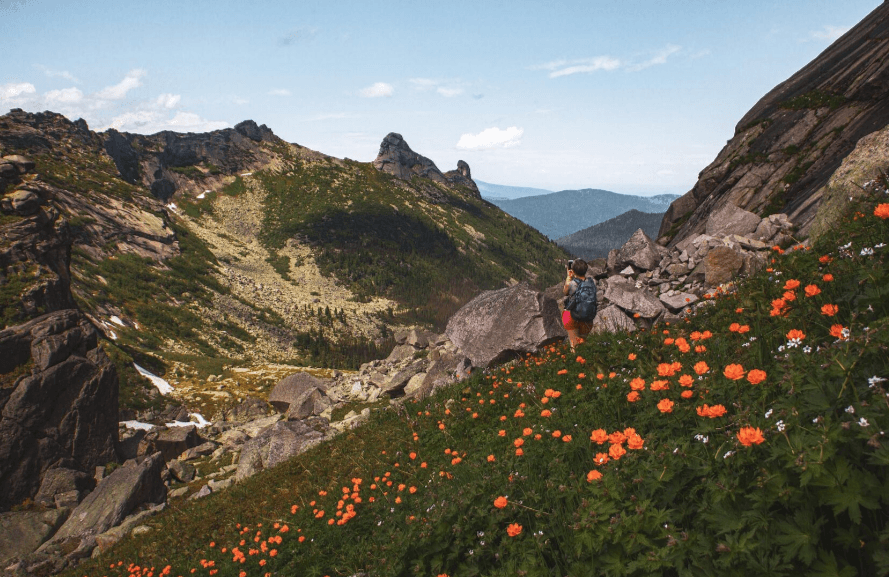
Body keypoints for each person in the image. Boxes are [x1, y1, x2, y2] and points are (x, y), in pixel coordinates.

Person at [562, 259, 594, 351]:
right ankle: (585, 361)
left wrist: (569, 277)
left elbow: (565, 292)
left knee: (574, 345)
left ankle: (577, 362)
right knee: (583, 343)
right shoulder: (591, 283)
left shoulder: (571, 283)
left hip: (570, 315)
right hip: (587, 316)